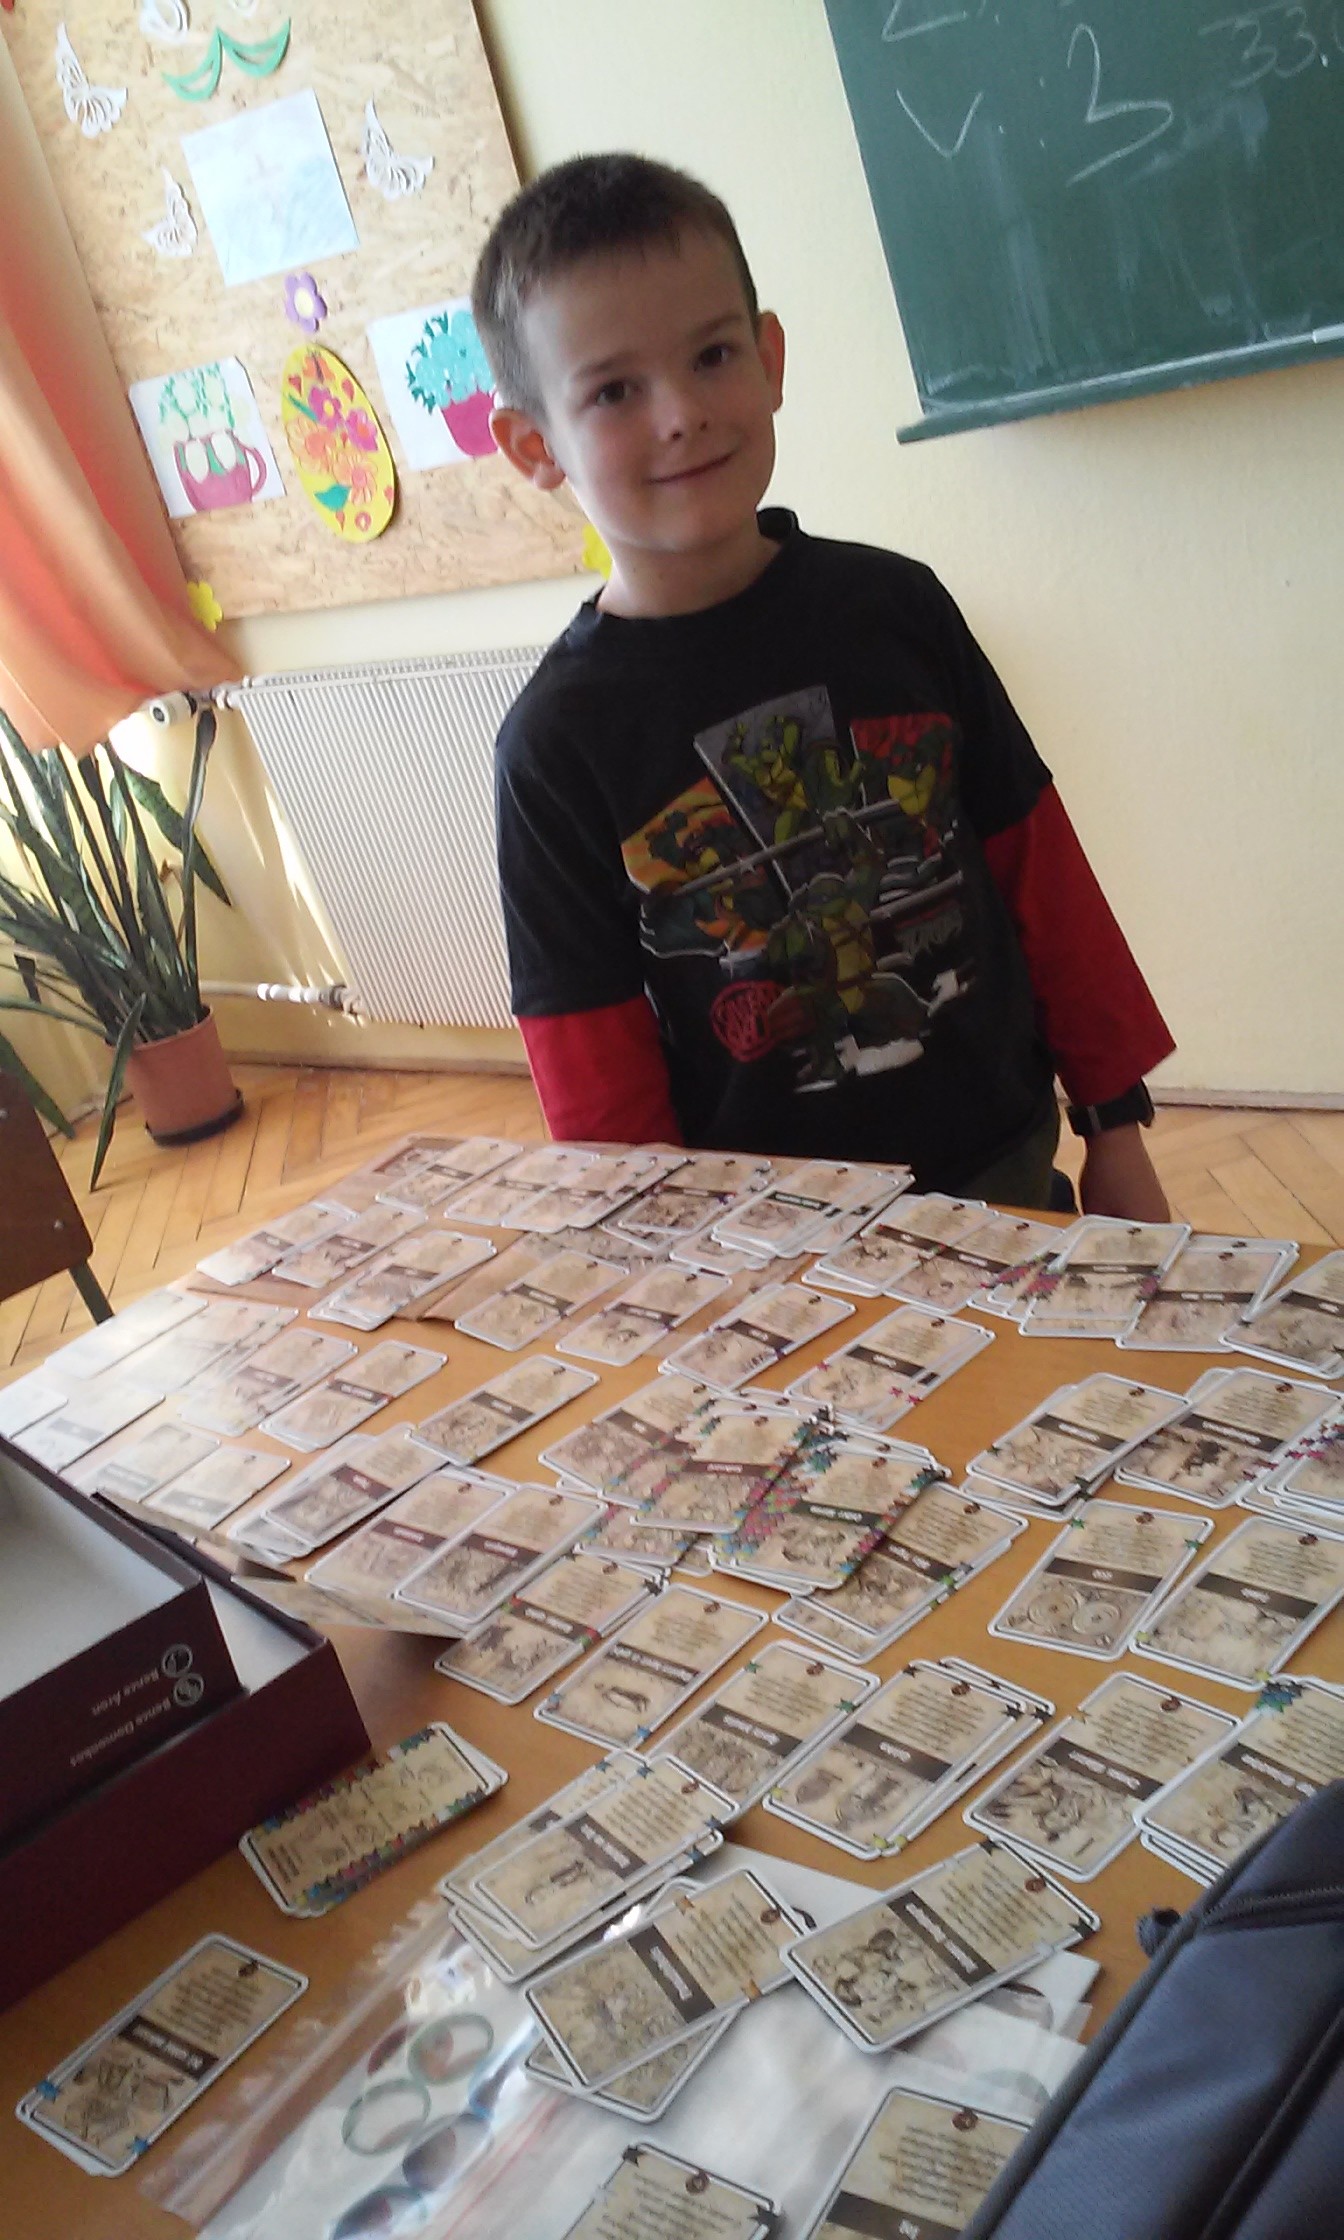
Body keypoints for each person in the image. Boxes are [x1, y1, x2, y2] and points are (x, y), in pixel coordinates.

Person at [472, 154, 1174, 1216]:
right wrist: (671, 1256)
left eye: (712, 355)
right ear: (534, 445)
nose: (680, 413)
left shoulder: (897, 608)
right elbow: (591, 1062)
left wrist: (1116, 1125)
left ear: (769, 360)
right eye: (614, 391)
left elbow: (1041, 874)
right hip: (776, 1240)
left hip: (1004, 1167)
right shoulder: (554, 746)